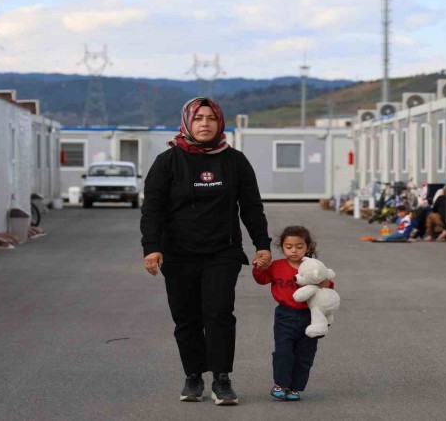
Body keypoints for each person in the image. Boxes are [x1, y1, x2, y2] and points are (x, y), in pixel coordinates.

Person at [140, 96, 272, 406]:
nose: (204, 123)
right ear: (187, 122)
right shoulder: (167, 161)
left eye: (211, 118)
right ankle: (193, 376)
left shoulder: (235, 161)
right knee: (186, 318)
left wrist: (262, 245)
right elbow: (153, 210)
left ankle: (222, 379)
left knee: (219, 314)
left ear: (220, 123)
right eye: (198, 118)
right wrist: (152, 248)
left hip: (221, 252)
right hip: (178, 254)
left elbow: (251, 207)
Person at [252, 226, 334, 402]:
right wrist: (259, 267)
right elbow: (261, 279)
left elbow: (328, 285)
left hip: (310, 316)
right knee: (283, 352)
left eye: (299, 246)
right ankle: (281, 384)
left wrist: (325, 284)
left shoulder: (313, 267)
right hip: (284, 315)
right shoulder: (277, 266)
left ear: (308, 247)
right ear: (282, 247)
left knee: (305, 355)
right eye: (289, 247)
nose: (294, 251)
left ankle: (295, 388)